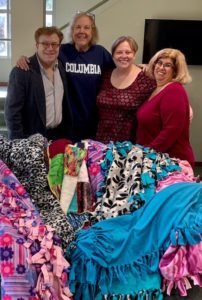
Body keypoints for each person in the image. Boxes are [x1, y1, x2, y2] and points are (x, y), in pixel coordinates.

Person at [15, 12, 114, 142]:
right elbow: (42, 55)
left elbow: (119, 68)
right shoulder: (62, 51)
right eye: (77, 27)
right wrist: (23, 58)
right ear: (72, 30)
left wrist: (140, 68)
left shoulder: (100, 53)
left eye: (86, 27)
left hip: (92, 122)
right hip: (66, 124)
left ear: (92, 31)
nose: (81, 31)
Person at [5, 26, 72, 141]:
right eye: (45, 44)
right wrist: (18, 143)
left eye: (54, 44)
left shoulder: (60, 66)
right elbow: (12, 113)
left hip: (58, 136)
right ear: (37, 46)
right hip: (31, 139)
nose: (50, 48)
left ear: (59, 46)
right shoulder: (22, 72)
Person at [136, 48, 195, 167]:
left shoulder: (174, 90)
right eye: (159, 63)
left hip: (170, 162)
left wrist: (146, 154)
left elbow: (170, 131)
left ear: (175, 71)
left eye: (168, 65)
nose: (161, 67)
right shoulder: (156, 89)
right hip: (153, 158)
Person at [95, 36, 156, 143]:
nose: (124, 56)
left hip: (130, 145)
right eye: (119, 52)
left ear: (134, 54)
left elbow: (165, 92)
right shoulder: (105, 75)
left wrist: (186, 105)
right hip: (102, 141)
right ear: (112, 55)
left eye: (128, 52)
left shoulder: (146, 78)